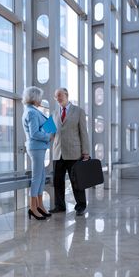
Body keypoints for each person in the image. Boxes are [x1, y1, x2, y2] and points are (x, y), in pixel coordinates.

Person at [49, 88, 90, 216]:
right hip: (58, 152)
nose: (58, 98)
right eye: (56, 97)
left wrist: (86, 151)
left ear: (66, 95)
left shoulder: (79, 111)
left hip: (74, 152)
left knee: (76, 181)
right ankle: (60, 206)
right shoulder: (54, 113)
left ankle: (80, 206)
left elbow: (84, 133)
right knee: (57, 181)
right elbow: (50, 134)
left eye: (60, 95)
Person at [22, 86, 53, 220]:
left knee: (41, 177)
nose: (41, 99)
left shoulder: (33, 111)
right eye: (39, 97)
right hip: (36, 147)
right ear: (34, 98)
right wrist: (49, 136)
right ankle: (32, 207)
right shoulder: (32, 113)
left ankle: (39, 205)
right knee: (36, 177)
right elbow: (34, 133)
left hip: (39, 147)